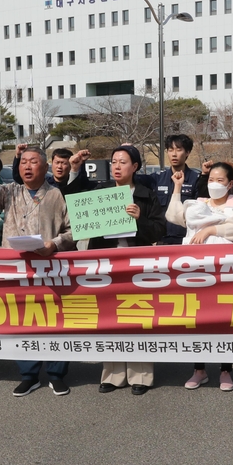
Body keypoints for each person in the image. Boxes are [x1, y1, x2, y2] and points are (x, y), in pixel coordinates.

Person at [0, 138, 76, 397]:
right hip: (16, 268)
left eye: (34, 161)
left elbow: (74, 230)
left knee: (54, 321)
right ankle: (28, 374)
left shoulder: (57, 194)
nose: (27, 167)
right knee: (22, 320)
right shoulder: (10, 192)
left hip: (49, 267)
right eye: (24, 162)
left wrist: (54, 244)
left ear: (45, 166)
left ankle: (55, 374)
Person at [89, 144, 167, 395]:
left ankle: (140, 376)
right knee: (110, 319)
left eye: (123, 162)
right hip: (107, 264)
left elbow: (159, 230)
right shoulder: (99, 193)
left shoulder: (146, 194)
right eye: (113, 162)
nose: (117, 166)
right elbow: (87, 229)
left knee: (138, 317)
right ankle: (112, 374)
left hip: (137, 265)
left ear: (135, 167)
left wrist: (139, 218)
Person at [166, 162, 233, 391]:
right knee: (197, 321)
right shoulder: (198, 203)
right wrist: (177, 188)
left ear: (231, 184)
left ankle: (225, 369)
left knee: (225, 320)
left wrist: (210, 230)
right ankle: (199, 370)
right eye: (211, 179)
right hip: (197, 272)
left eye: (220, 180)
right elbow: (174, 216)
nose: (214, 184)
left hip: (226, 273)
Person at [151, 134, 199, 244]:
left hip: (186, 240)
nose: (174, 154)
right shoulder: (158, 178)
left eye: (178, 149)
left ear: (187, 152)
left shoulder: (196, 179)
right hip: (162, 241)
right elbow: (132, 179)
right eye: (170, 150)